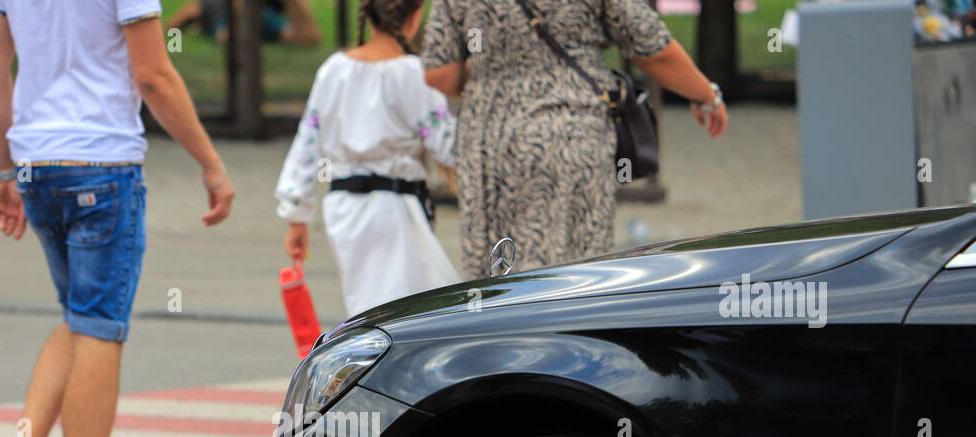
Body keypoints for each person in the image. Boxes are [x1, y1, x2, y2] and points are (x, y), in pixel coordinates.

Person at [0, 0, 235, 437]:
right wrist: (211, 164)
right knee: (99, 325)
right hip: (101, 162)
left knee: (79, 315)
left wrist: (3, 170)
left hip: (36, 162)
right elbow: (153, 73)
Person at [423, 0, 728, 274]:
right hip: (572, 132)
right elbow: (651, 46)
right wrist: (706, 95)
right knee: (574, 274)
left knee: (497, 276)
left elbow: (440, 72)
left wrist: (493, 69)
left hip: (490, 142)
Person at [275, 0, 459, 318]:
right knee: (403, 310)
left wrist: (296, 212)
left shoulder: (334, 69)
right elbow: (447, 143)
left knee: (367, 304)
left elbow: (308, 140)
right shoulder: (412, 73)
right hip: (395, 207)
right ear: (415, 19)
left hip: (344, 206)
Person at [166, 0, 322, 46]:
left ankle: (195, 29)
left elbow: (310, 38)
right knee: (186, 18)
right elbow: (172, 30)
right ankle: (194, 29)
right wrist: (176, 43)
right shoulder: (206, 7)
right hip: (216, 12)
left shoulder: (265, 15)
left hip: (249, 17)